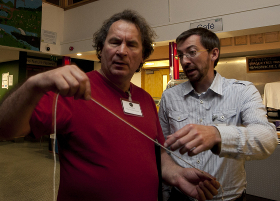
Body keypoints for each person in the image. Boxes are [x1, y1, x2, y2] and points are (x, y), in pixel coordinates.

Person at [0, 10, 220, 201]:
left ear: (142, 56)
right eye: (114, 42)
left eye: (132, 44)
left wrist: (177, 175)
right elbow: (5, 128)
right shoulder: (72, 91)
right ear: (101, 48)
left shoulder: (144, 99)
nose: (122, 51)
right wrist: (32, 86)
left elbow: (156, 153)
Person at [159, 27, 278, 201]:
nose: (184, 61)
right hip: (181, 196)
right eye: (181, 55)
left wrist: (218, 135)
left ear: (213, 54)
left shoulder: (242, 91)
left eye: (191, 52)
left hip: (228, 198)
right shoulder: (170, 96)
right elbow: (162, 148)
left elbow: (267, 139)